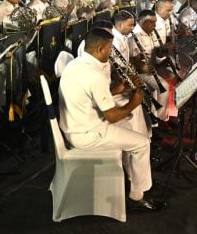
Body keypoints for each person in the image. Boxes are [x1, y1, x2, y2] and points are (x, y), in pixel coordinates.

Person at [59, 28, 165, 212]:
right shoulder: (95, 75)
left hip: (77, 125)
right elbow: (112, 116)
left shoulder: (77, 64)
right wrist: (134, 101)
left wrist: (117, 89)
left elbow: (91, 95)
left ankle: (135, 178)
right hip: (88, 133)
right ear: (100, 49)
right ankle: (137, 196)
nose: (111, 52)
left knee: (132, 126)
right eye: (109, 48)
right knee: (142, 143)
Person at [130, 9, 171, 122]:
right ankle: (161, 119)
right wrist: (150, 67)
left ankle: (155, 119)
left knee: (161, 85)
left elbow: (152, 57)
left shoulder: (149, 33)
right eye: (152, 22)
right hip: (140, 74)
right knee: (165, 87)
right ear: (144, 22)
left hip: (150, 70)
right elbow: (139, 65)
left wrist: (162, 59)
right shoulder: (135, 36)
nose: (155, 25)